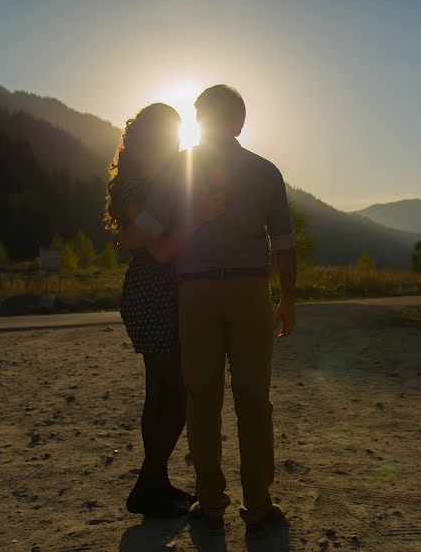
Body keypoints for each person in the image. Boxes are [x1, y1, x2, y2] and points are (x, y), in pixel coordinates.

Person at [127, 85, 297, 540]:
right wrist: (287, 300)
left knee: (202, 401)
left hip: (196, 293)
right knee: (254, 402)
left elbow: (144, 236)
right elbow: (284, 246)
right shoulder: (265, 171)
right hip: (250, 290)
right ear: (240, 123)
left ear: (198, 119)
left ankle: (212, 507)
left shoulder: (175, 169)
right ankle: (258, 507)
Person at [105, 103, 226, 517]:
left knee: (159, 390)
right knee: (174, 390)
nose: (174, 139)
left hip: (160, 289)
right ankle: (148, 484)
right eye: (168, 132)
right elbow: (151, 245)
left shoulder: (154, 179)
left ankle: (154, 482)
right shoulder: (137, 185)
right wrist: (196, 217)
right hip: (152, 289)